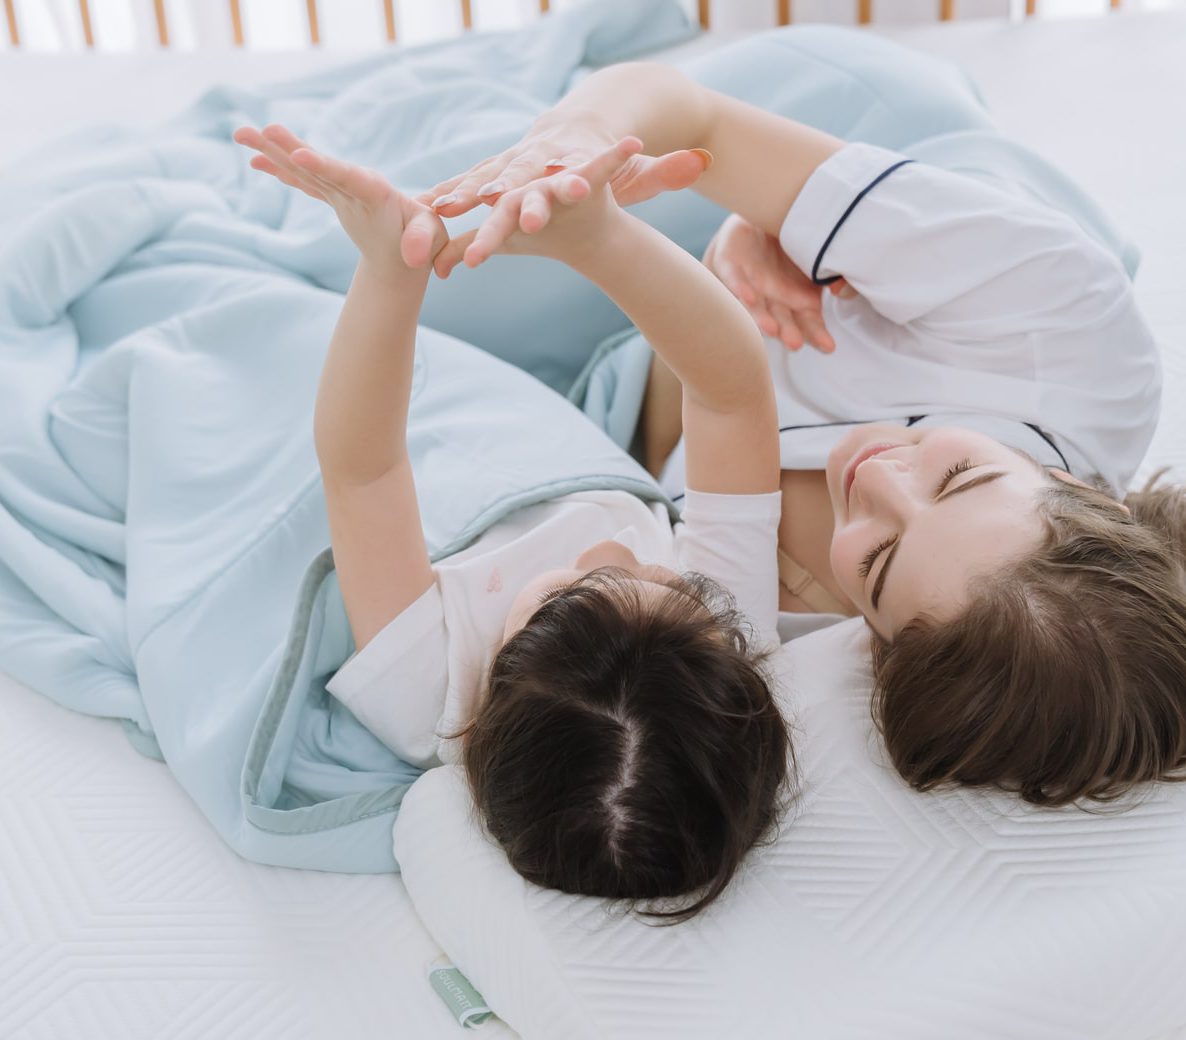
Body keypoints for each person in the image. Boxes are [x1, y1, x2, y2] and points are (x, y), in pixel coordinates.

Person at [424, 60, 1186, 808]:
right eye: (961, 478)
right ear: (1084, 491)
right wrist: (599, 144)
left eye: (881, 560)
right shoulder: (1065, 334)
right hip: (819, 146)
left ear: (879, 649)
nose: (877, 476)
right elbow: (686, 112)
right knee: (436, 225)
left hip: (623, 388)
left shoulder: (795, 640)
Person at [232, 123, 790, 922]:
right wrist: (602, 240)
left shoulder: (425, 689)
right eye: (673, 587)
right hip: (543, 409)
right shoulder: (727, 644)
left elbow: (362, 468)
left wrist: (388, 275)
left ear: (486, 706)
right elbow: (731, 392)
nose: (616, 551)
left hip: (389, 401)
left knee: (256, 318)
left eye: (570, 589)